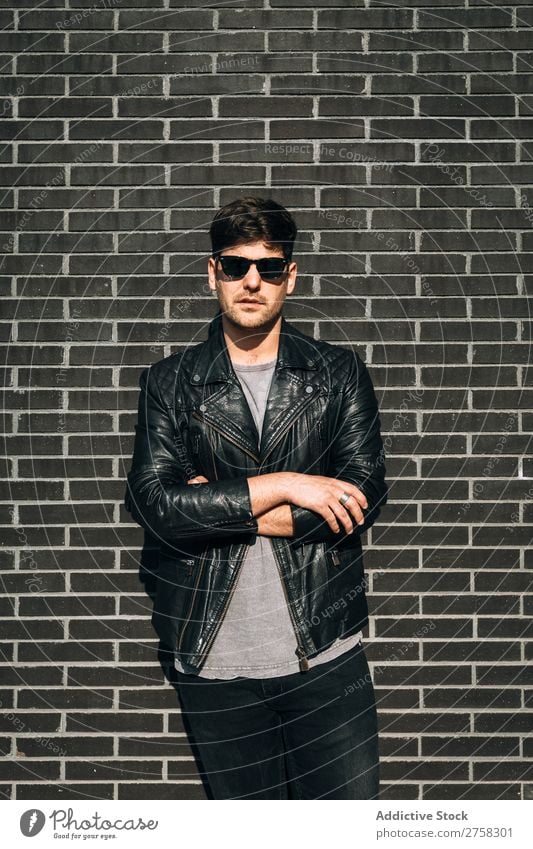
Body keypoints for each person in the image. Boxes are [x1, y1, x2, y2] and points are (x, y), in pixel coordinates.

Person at [125, 195, 388, 799]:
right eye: (236, 265)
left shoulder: (337, 373)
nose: (252, 281)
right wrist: (287, 484)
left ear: (289, 277)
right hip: (215, 663)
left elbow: (362, 497)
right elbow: (156, 506)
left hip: (325, 658)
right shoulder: (171, 382)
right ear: (211, 271)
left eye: (269, 268)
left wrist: (215, 503)